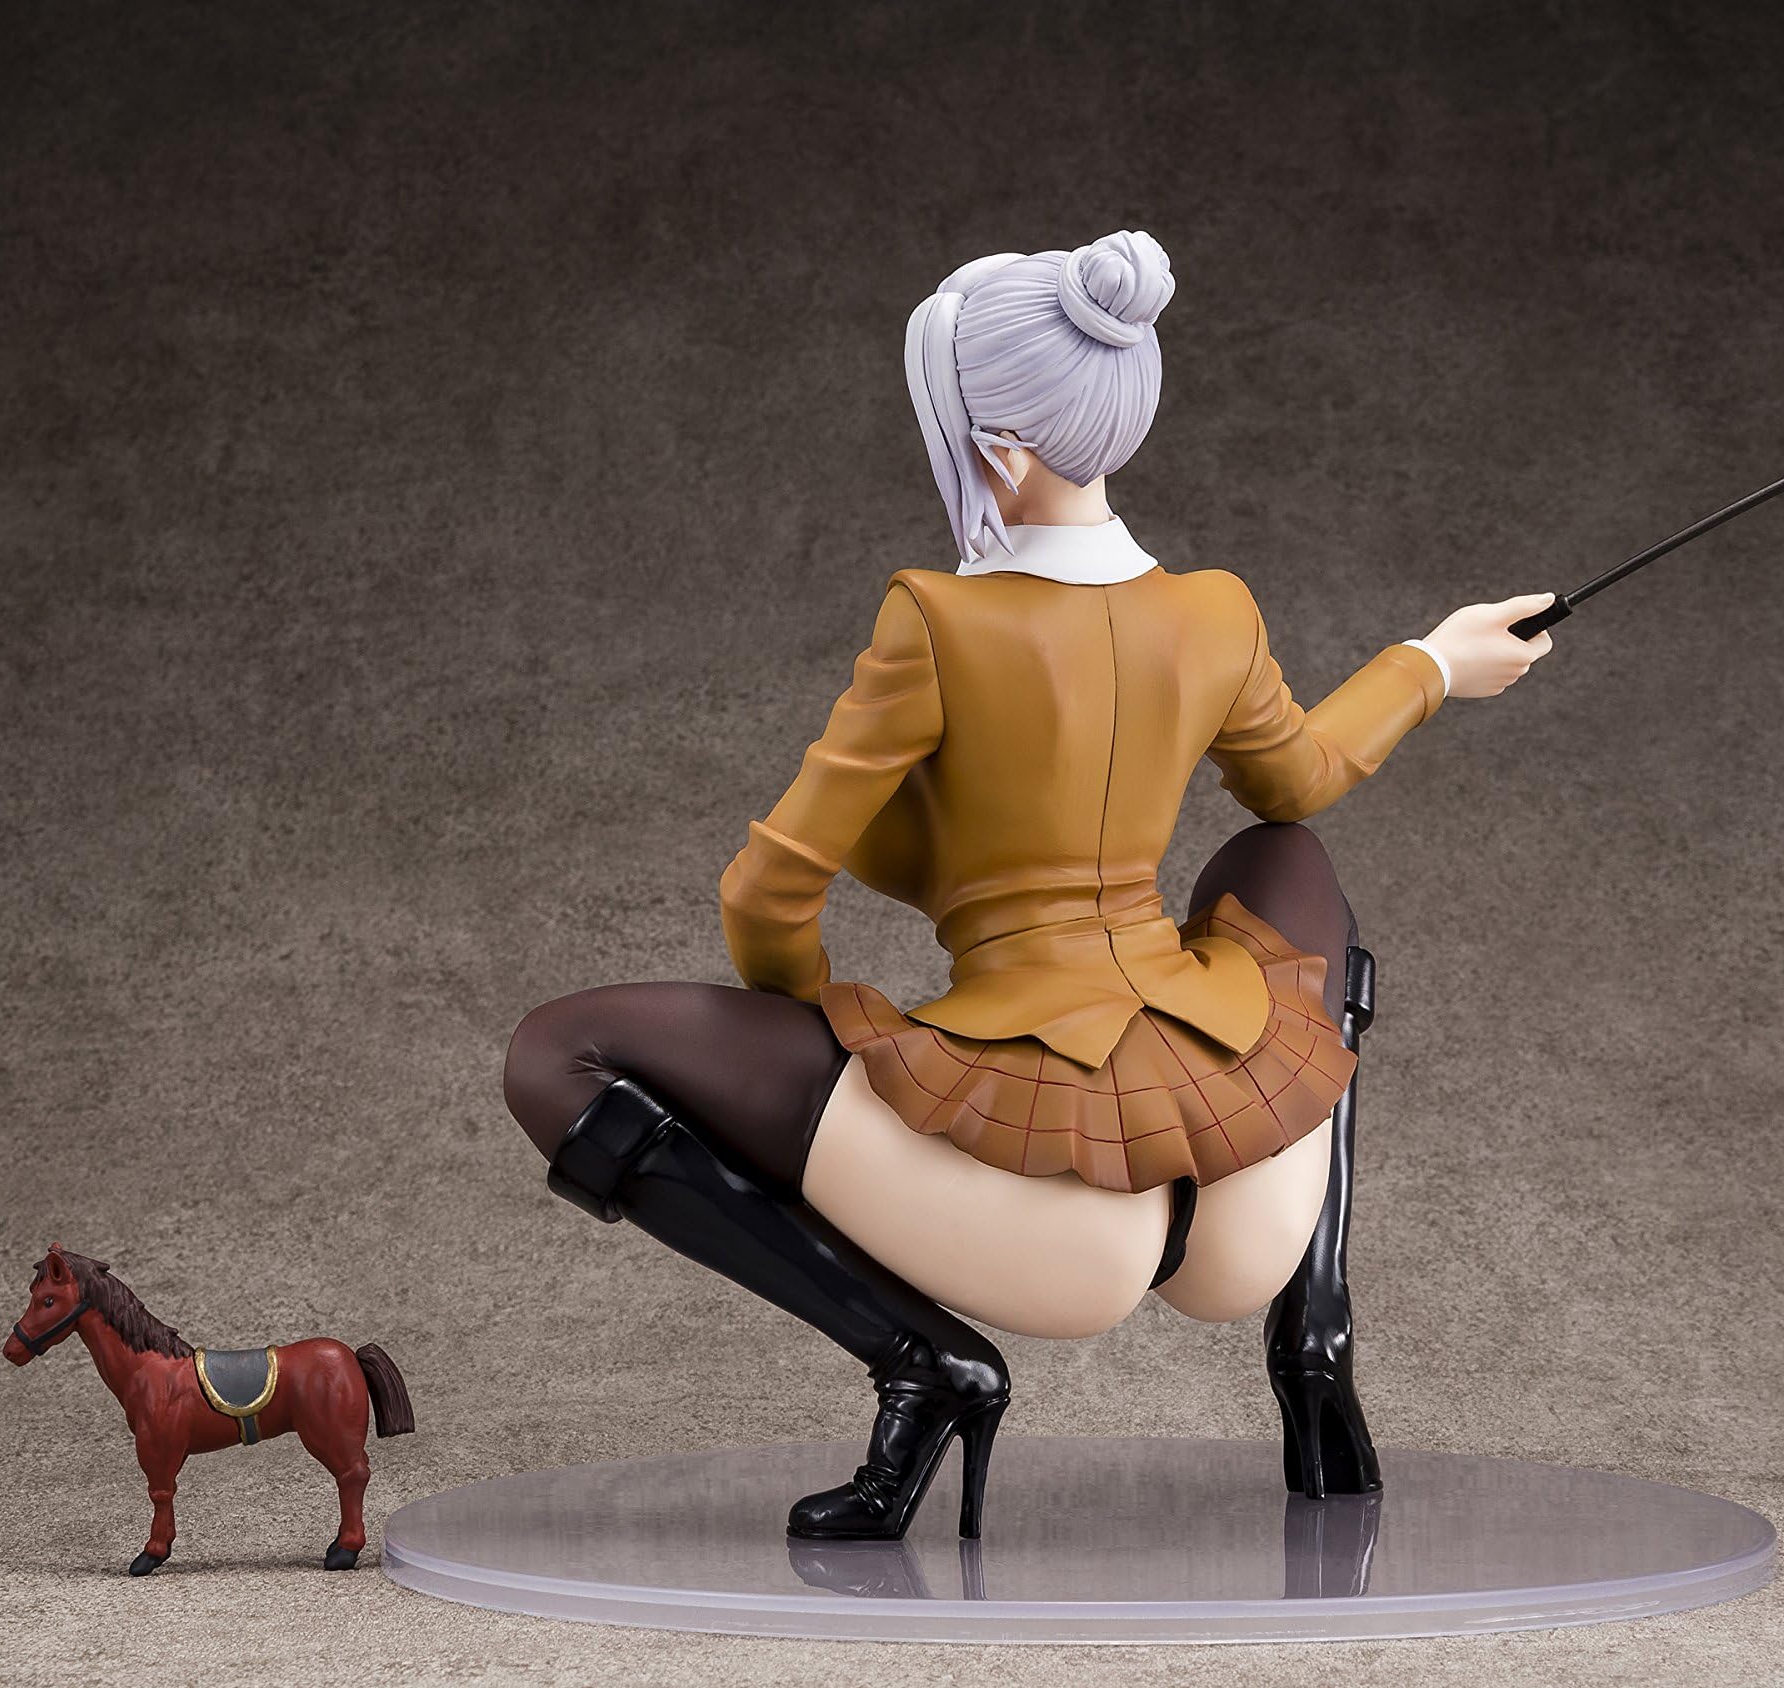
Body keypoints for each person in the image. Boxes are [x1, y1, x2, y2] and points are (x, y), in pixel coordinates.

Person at [504, 231, 1554, 1540]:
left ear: (999, 451)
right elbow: (1300, 778)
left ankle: (922, 1362)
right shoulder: (1215, 611)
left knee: (554, 1053)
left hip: (1045, 1216)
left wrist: (823, 1046)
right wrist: (1432, 663)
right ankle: (1316, 1340)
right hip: (1249, 1200)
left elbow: (768, 891)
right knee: (1283, 854)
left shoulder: (936, 621)